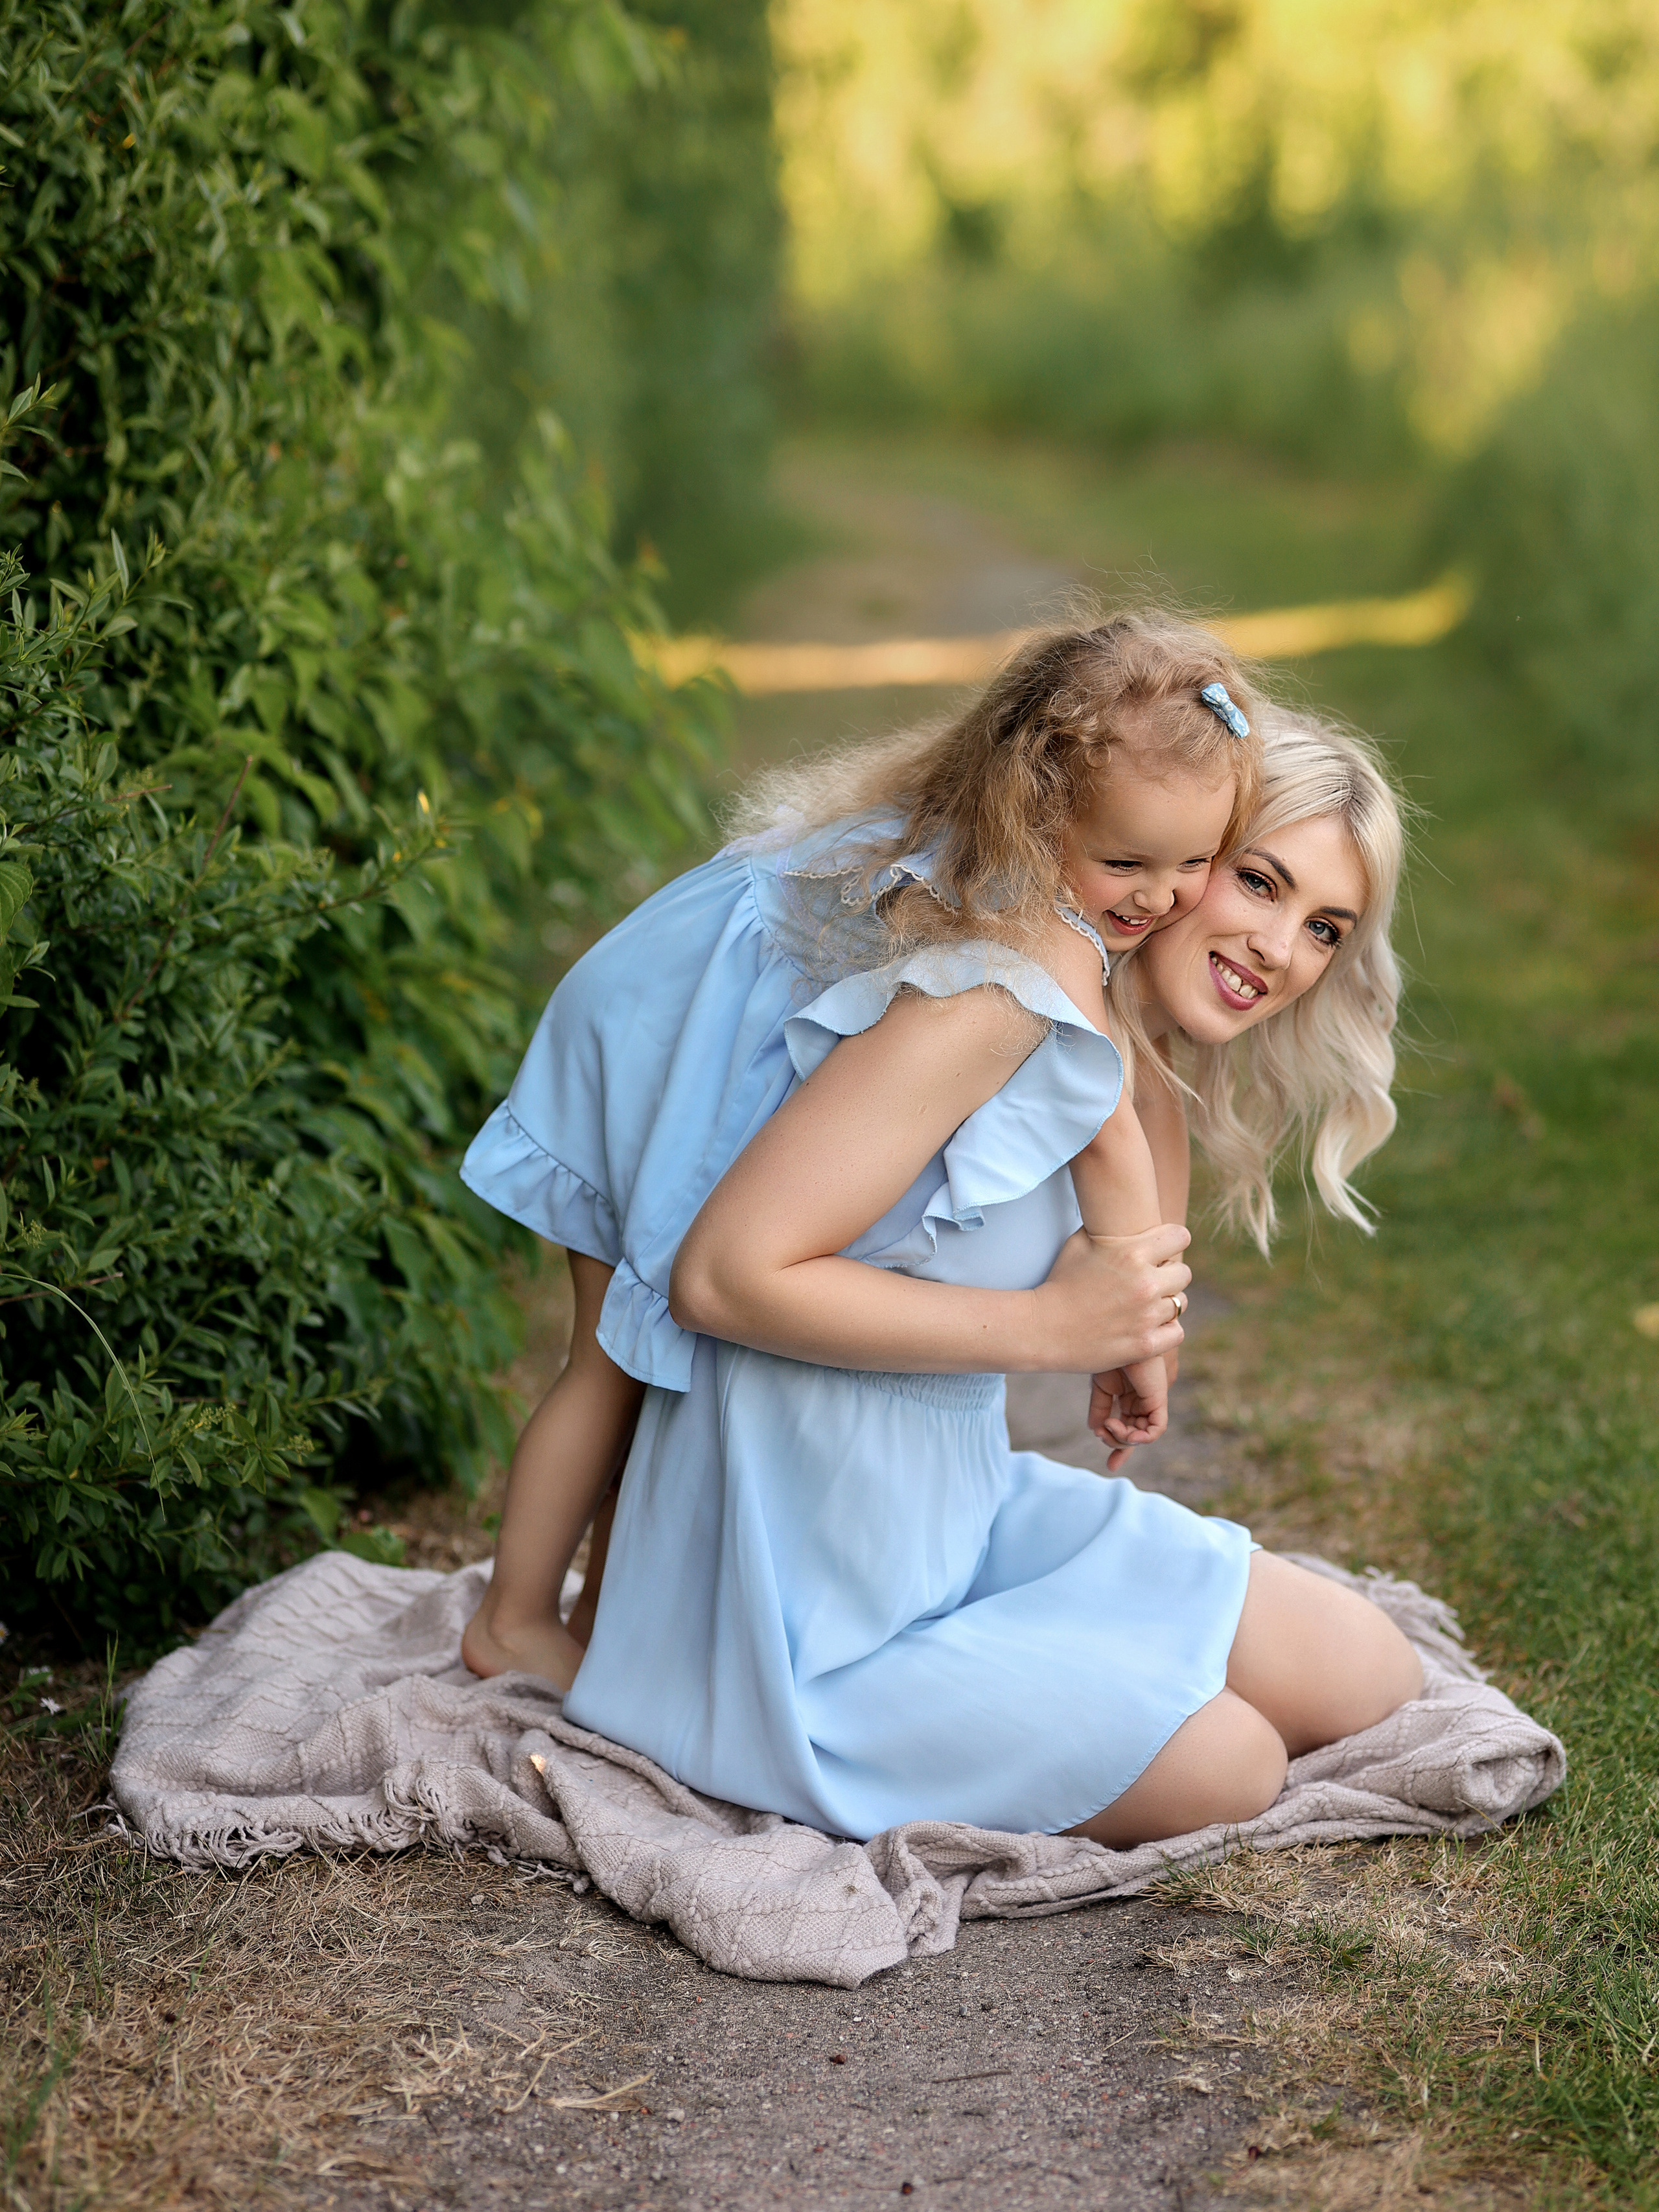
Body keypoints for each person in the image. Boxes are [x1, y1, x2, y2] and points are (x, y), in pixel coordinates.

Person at [462, 613, 1423, 1848]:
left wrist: (1133, 1322)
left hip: (938, 1515)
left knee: (1368, 1671)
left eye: (1327, 926)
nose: (1277, 947)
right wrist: (1052, 1327)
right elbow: (715, 1284)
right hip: (808, 1590)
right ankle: (601, 1632)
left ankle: (1014, 1659)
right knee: (1230, 1760)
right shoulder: (981, 1000)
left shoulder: (1121, 1060)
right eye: (1258, 880)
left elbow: (1129, 1230)